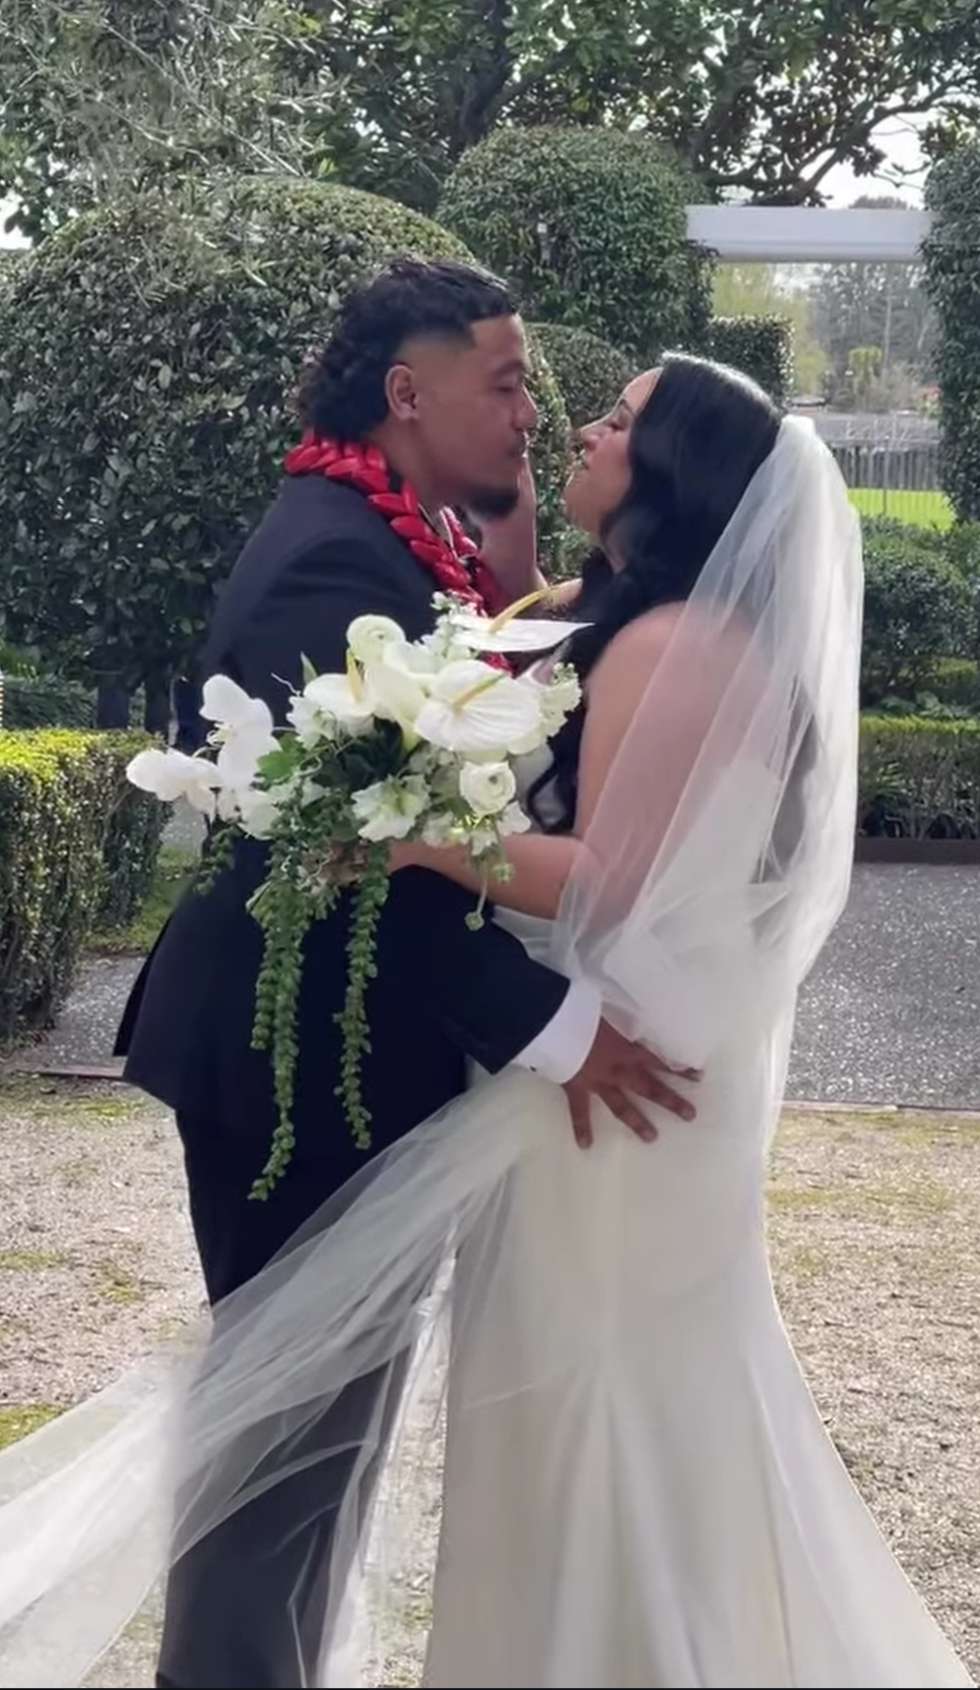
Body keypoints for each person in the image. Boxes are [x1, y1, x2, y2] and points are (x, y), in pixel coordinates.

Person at [0, 357, 971, 1690]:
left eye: (615, 420)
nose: (583, 428)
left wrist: (423, 846)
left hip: (630, 1058)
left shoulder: (680, 642)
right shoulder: (592, 612)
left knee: (607, 1370)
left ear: (671, 476)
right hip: (570, 1036)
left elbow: (606, 870)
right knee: (540, 1371)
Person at [113, 256, 694, 1689]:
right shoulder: (331, 559)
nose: (526, 410)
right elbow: (348, 851)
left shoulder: (402, 541)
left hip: (358, 1048)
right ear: (403, 391)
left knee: (321, 1435)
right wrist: (563, 1029)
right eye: (501, 381)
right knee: (281, 1444)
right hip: (293, 1055)